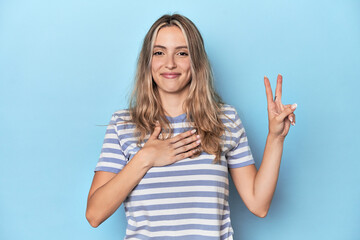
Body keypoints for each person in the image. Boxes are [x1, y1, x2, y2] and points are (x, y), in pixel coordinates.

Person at [86, 13, 297, 239]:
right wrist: (145, 158)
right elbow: (94, 214)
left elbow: (259, 204)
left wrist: (276, 137)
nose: (170, 63)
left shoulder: (225, 119)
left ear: (196, 61)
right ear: (147, 61)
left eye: (182, 53)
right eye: (159, 52)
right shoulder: (124, 124)